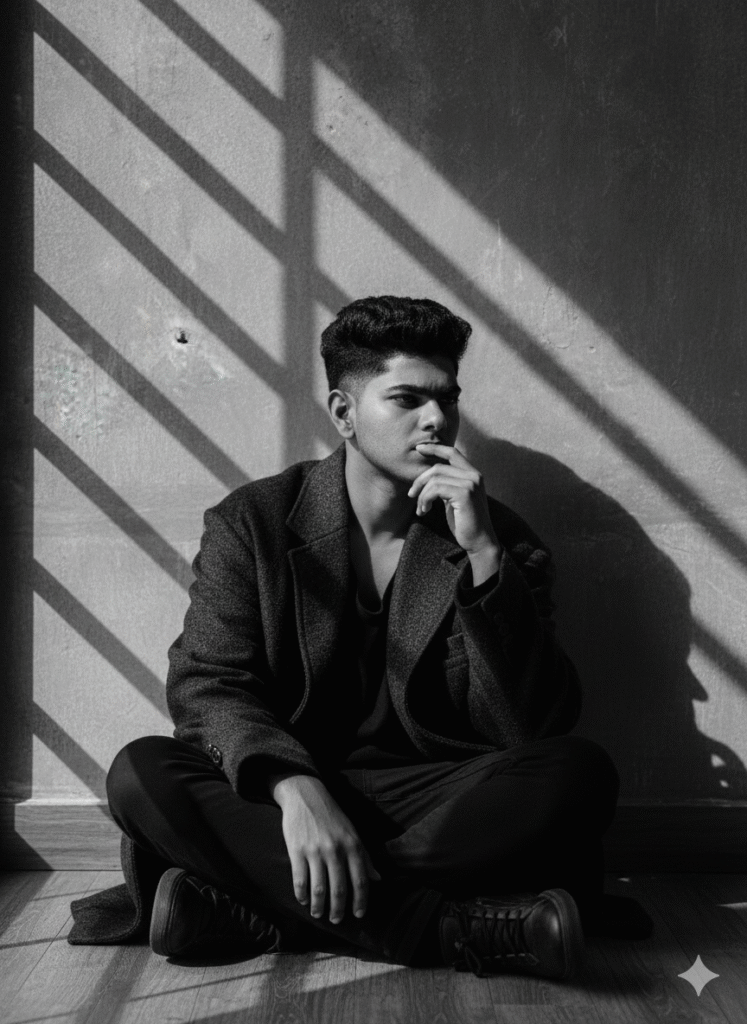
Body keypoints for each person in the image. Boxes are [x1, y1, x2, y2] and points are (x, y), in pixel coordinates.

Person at [69, 296, 649, 977]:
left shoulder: (497, 538)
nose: (436, 420)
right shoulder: (252, 522)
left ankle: (261, 905)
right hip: (291, 796)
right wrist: (294, 787)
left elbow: (528, 727)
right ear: (344, 414)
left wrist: (484, 560)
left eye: (447, 399)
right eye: (407, 399)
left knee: (579, 772)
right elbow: (208, 685)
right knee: (140, 772)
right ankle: (451, 929)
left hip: (433, 802)